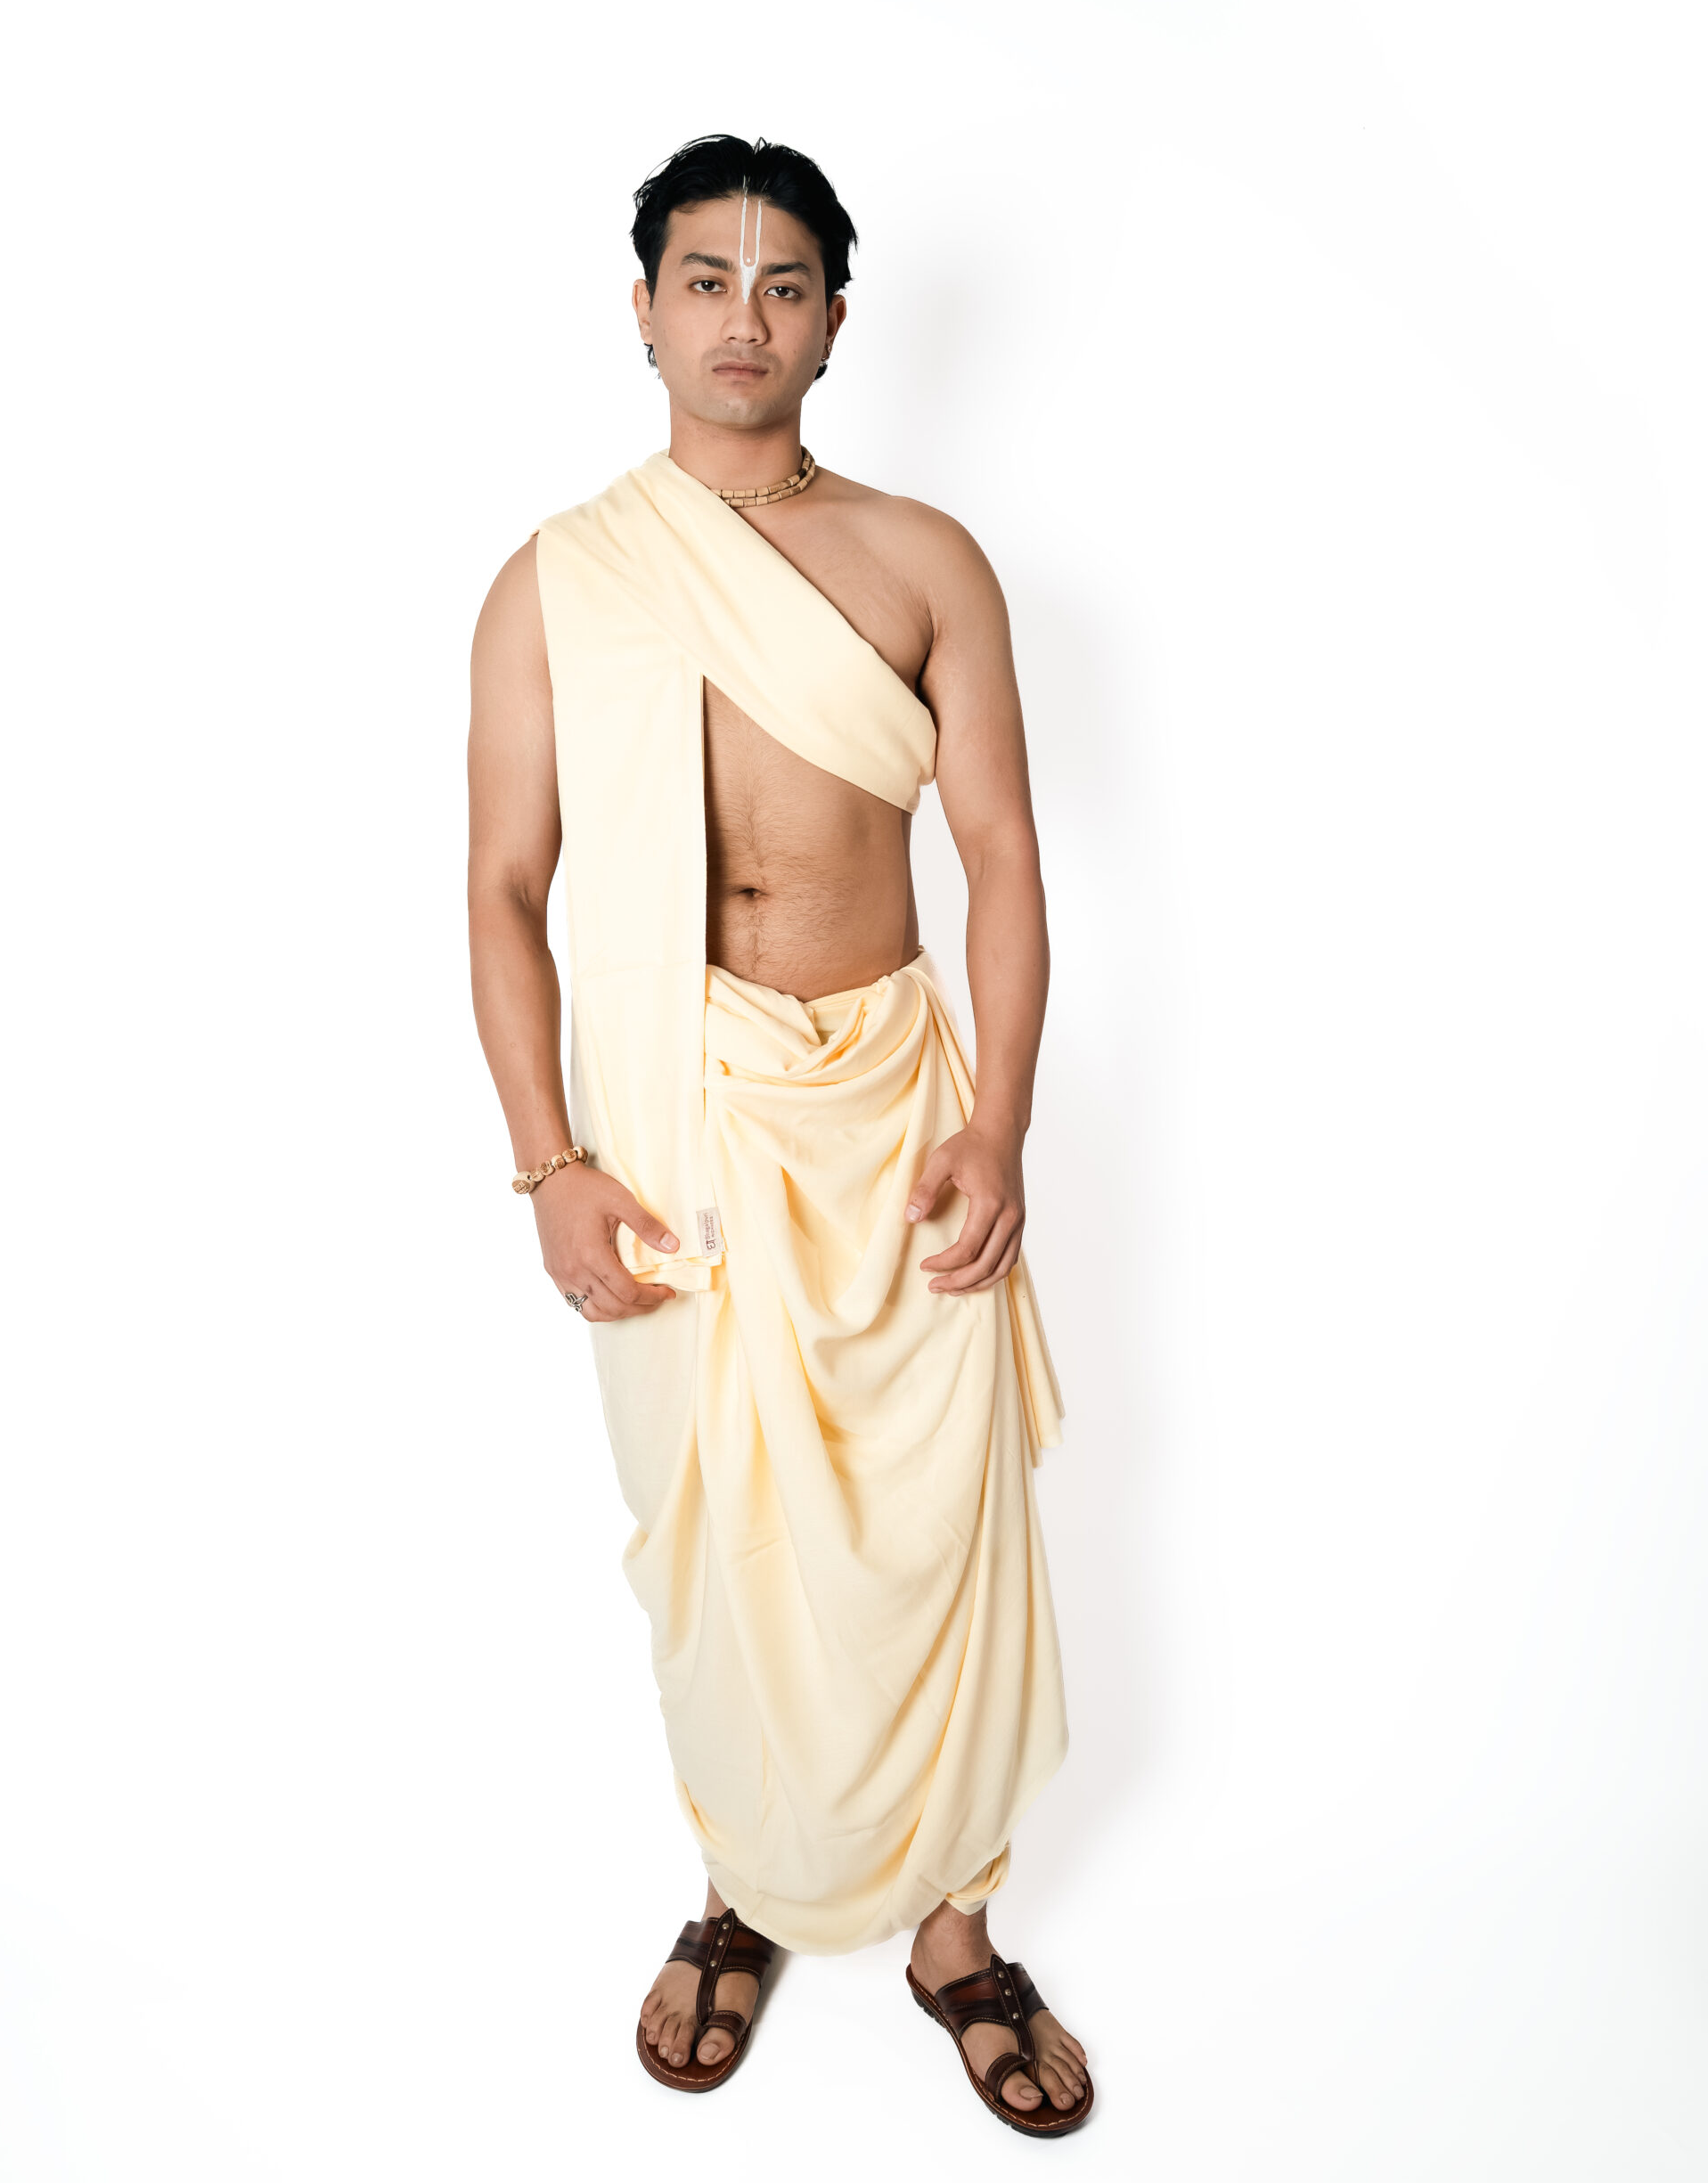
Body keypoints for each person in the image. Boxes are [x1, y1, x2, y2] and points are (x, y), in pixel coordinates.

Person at [466, 135, 1091, 2136]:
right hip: (671, 1125)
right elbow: (504, 887)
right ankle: (745, 1879)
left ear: (833, 320)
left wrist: (1002, 1122)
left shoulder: (926, 561)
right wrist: (551, 1162)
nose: (745, 316)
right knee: (719, 1535)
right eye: (707, 278)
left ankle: (951, 1926)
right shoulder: (559, 578)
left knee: (934, 1518)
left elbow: (1001, 853)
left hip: (893, 1103)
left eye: (786, 281)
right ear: (643, 310)